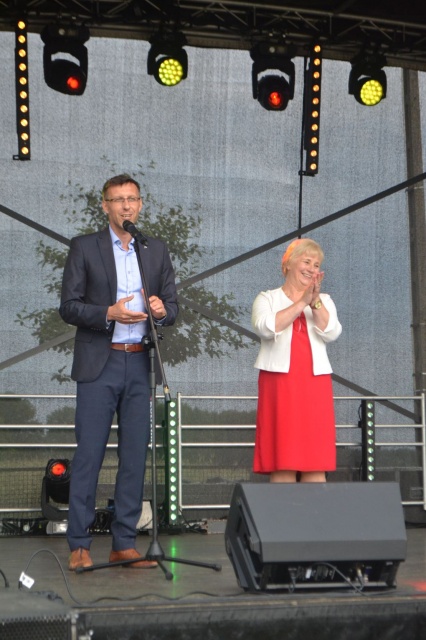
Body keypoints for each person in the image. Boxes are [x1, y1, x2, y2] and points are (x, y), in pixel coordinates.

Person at [59, 173, 178, 571]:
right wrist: (107, 313)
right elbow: (69, 306)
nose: (126, 205)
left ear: (140, 204)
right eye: (118, 199)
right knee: (89, 454)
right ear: (105, 206)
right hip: (101, 362)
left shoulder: (155, 250)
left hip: (140, 362)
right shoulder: (84, 247)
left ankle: (124, 543)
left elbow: (172, 307)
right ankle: (79, 544)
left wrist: (161, 310)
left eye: (132, 199)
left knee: (134, 456)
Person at [251, 238, 342, 483]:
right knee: (283, 461)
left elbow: (332, 331)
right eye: (306, 262)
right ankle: (283, 509)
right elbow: (266, 327)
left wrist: (314, 301)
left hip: (315, 383)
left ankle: (316, 509)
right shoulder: (267, 298)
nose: (311, 268)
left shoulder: (324, 300)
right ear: (288, 264)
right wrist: (301, 302)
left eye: (316, 265)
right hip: (279, 382)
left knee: (315, 462)